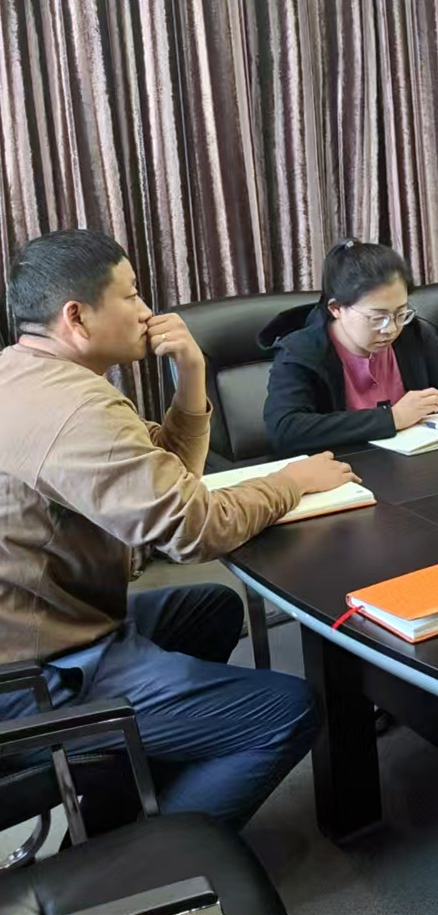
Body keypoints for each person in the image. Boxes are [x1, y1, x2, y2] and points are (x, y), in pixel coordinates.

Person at [0, 229, 354, 830]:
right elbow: (193, 529)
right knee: (288, 710)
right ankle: (148, 860)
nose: (146, 311)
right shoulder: (76, 411)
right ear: (76, 317)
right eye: (132, 295)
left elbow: (169, 481)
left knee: (211, 609)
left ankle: (131, 785)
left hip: (50, 628)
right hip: (40, 677)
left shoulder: (27, 374)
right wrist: (292, 482)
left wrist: (191, 375)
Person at [262, 241, 438, 455]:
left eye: (400, 313)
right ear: (336, 309)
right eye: (377, 318)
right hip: (345, 470)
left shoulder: (411, 333)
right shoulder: (300, 352)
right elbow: (285, 429)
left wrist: (422, 410)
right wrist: (392, 418)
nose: (391, 329)